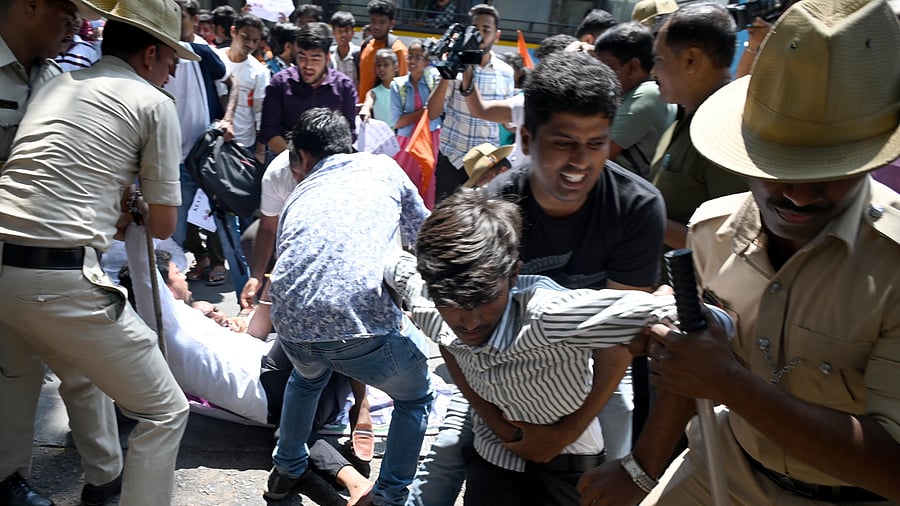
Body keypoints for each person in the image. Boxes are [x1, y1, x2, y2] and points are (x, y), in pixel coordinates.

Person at [577, 1, 900, 504]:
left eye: (830, 171)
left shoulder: (895, 266)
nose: (797, 193)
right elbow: (692, 364)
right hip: (719, 470)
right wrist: (642, 469)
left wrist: (731, 383)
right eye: (777, 164)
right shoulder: (712, 231)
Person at [407, 51, 666, 506]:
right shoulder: (492, 210)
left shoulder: (637, 207)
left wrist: (563, 432)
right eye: (563, 143)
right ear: (527, 137)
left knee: (617, 456)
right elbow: (454, 331)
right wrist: (500, 423)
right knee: (446, 459)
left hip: (596, 364)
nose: (580, 162)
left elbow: (615, 343)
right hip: (492, 364)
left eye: (596, 144)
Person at [388, 189, 727, 505]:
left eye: (486, 300)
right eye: (453, 305)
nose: (470, 322)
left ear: (514, 275)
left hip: (568, 463)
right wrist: (501, 425)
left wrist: (664, 304)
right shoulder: (429, 304)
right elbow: (394, 267)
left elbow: (701, 319)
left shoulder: (550, 314)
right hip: (494, 457)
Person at [0, 0, 199, 503]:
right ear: (151, 54)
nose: (174, 72)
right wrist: (133, 203)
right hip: (61, 282)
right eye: (173, 60)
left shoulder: (56, 86)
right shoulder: (154, 104)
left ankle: (65, 482)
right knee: (166, 410)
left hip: (4, 271)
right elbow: (163, 224)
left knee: (27, 376)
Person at [117, 233, 377, 506]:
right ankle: (362, 406)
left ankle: (357, 481)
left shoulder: (184, 316)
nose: (184, 276)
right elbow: (144, 273)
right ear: (165, 289)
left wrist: (251, 303)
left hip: (306, 400)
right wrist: (136, 220)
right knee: (322, 311)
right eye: (178, 273)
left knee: (293, 435)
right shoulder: (163, 327)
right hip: (273, 387)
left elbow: (251, 336)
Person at [264, 108, 433, 506]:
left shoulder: (298, 194)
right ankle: (390, 497)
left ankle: (287, 467)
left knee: (306, 380)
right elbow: (425, 235)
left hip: (291, 328)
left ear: (303, 157)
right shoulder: (384, 168)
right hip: (363, 330)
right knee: (416, 397)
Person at [649, 2, 747, 250]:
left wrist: (640, 214)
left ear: (691, 60)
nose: (653, 72)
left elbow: (731, 242)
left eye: (659, 60)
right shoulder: (688, 116)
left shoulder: (725, 133)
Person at [426, 3, 515, 202]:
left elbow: (507, 123)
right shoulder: (454, 66)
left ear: (497, 35)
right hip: (452, 161)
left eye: (486, 30)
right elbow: (432, 113)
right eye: (475, 29)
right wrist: (448, 71)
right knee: (445, 223)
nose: (480, 35)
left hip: (487, 166)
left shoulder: (506, 72)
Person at [259, 22, 358, 155]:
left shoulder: (344, 87)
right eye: (302, 57)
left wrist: (319, 164)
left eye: (315, 59)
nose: (308, 65)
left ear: (327, 58)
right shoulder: (280, 83)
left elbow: (348, 134)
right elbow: (270, 130)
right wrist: (297, 160)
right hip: (285, 159)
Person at [594, 22, 676, 180]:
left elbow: (598, 154)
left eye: (607, 67)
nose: (599, 75)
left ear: (632, 67)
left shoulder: (648, 94)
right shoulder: (636, 93)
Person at [391, 39, 441, 208]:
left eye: (418, 57)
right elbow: (397, 121)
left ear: (427, 61)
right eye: (410, 56)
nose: (412, 61)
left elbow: (438, 112)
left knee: (428, 185)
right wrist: (426, 110)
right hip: (407, 143)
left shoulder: (435, 81)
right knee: (405, 185)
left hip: (430, 140)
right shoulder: (398, 85)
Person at [214, 12, 269, 161]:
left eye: (255, 40)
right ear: (233, 32)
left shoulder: (259, 72)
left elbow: (260, 111)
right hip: (211, 139)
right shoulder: (215, 58)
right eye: (245, 37)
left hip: (244, 143)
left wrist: (260, 150)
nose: (250, 44)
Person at [357, 0, 408, 100]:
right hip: (363, 109)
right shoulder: (366, 45)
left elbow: (403, 88)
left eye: (382, 22)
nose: (376, 26)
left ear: (391, 24)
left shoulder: (398, 50)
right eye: (373, 21)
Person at [359, 48, 398, 127]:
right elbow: (368, 103)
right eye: (378, 65)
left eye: (385, 65)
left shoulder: (403, 89)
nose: (381, 69)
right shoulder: (373, 92)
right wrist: (365, 110)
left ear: (395, 67)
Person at [329, 11, 360, 90]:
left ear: (352, 32)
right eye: (339, 31)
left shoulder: (359, 54)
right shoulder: (329, 55)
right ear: (333, 32)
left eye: (346, 31)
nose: (343, 35)